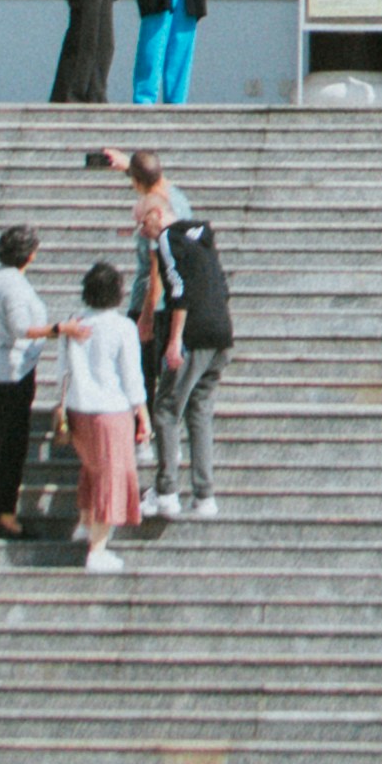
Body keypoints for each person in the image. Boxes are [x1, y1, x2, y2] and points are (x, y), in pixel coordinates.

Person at [138, 171, 233, 518]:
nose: (142, 233)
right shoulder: (202, 239)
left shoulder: (167, 239)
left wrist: (174, 341)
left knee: (165, 408)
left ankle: (166, 491)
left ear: (156, 214)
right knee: (200, 410)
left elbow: (177, 291)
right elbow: (220, 287)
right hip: (222, 332)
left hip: (193, 333)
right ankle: (204, 495)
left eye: (141, 223)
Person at [58, 259, 149, 569]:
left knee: (92, 468)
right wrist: (143, 414)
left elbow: (63, 369)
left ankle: (85, 524)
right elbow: (131, 376)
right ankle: (97, 549)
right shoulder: (122, 327)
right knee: (112, 475)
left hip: (78, 407)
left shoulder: (75, 322)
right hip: (111, 409)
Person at [0, 222, 53, 540]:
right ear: (29, 255)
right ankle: (5, 512)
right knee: (11, 446)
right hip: (12, 370)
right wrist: (58, 329)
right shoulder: (14, 285)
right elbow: (21, 327)